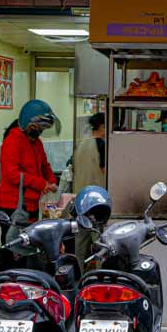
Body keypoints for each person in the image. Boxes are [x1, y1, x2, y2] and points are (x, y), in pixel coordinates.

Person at [0, 99, 58, 273]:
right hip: (12, 206)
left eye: (42, 128)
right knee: (11, 249)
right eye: (38, 127)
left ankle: (21, 285)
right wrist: (40, 183)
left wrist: (51, 181)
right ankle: (1, 285)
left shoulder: (37, 143)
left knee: (26, 247)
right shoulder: (13, 141)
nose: (40, 131)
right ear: (27, 123)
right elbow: (12, 174)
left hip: (30, 205)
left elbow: (45, 166)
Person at [71, 113, 107, 266]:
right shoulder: (101, 145)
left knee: (80, 243)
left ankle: (78, 276)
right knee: (100, 242)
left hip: (80, 199)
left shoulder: (81, 144)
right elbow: (105, 170)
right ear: (102, 127)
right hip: (96, 200)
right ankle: (100, 275)